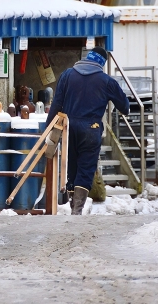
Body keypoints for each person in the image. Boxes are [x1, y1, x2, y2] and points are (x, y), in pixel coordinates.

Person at [45, 46, 129, 215]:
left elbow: (56, 104)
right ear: (102, 63)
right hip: (91, 129)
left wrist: (48, 130)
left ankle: (73, 208)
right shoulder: (106, 81)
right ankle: (77, 211)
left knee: (72, 169)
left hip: (68, 128)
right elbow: (125, 107)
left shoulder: (67, 75)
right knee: (85, 169)